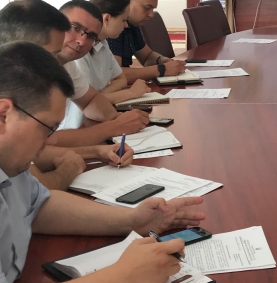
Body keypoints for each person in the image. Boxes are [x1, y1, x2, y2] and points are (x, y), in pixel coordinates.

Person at [0, 41, 205, 283]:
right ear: (4, 114)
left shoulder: (11, 163)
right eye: (48, 128)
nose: (50, 142)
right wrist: (124, 275)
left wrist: (131, 220)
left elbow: (38, 205)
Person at [0, 0, 149, 148]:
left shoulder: (62, 61)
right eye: (75, 28)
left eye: (91, 36)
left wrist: (117, 120)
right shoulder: (15, 76)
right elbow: (42, 144)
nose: (81, 41)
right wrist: (114, 127)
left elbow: (90, 100)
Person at [76, 0, 150, 104]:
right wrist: (131, 93)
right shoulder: (79, 52)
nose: (126, 25)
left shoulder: (103, 43)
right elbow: (87, 103)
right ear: (107, 19)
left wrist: (99, 96)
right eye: (123, 20)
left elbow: (121, 79)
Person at [108, 0, 186, 84]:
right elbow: (115, 76)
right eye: (147, 8)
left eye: (153, 9)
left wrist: (163, 60)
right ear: (128, 0)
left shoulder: (131, 23)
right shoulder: (112, 25)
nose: (151, 14)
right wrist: (162, 69)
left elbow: (147, 56)